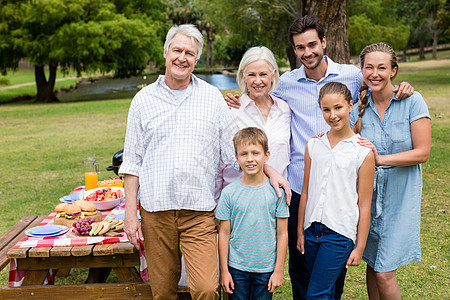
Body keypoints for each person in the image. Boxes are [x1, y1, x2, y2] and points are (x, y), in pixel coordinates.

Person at [225, 15, 414, 299]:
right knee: (301, 265)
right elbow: (257, 90)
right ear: (294, 50)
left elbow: (380, 79)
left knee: (331, 269)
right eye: (300, 47)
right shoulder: (286, 83)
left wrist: (403, 87)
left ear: (324, 42)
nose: (307, 52)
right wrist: (231, 97)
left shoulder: (351, 75)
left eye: (312, 44)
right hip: (299, 189)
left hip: (340, 189)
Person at [119, 24, 240, 300]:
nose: (182, 58)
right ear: (165, 52)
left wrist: (266, 167)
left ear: (196, 59)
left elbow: (234, 153)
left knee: (206, 289)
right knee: (162, 292)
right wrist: (130, 215)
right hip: (156, 211)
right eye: (177, 50)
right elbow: (132, 162)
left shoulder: (212, 98)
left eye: (189, 53)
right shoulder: (142, 100)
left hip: (199, 211)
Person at [350, 42, 431, 299]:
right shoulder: (357, 109)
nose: (375, 73)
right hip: (368, 201)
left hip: (400, 199)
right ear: (361, 70)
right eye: (369, 67)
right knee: (374, 264)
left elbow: (423, 152)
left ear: (393, 71)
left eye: (382, 68)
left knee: (385, 273)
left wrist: (380, 159)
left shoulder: (412, 102)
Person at [296, 82, 375, 299]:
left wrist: (359, 247)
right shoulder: (313, 146)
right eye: (326, 109)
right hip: (312, 231)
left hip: (340, 234)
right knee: (330, 291)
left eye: (338, 108)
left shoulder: (362, 152)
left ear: (350, 105)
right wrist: (301, 230)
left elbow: (364, 204)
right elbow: (306, 192)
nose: (333, 115)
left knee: (316, 294)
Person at [216, 127, 289, 299]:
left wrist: (278, 270)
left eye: (255, 153)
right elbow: (224, 233)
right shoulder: (229, 193)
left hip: (266, 269)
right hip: (236, 268)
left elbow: (283, 233)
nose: (250, 159)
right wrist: (224, 271)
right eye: (244, 154)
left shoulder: (277, 193)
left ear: (267, 155)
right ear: (236, 158)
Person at [216, 46, 291, 194]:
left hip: (277, 199)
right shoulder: (231, 110)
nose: (258, 81)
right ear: (243, 75)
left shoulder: (285, 109)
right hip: (239, 200)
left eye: (263, 74)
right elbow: (219, 164)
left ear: (273, 74)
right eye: (251, 75)